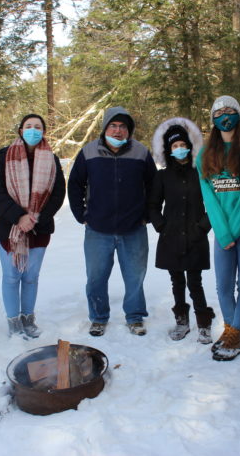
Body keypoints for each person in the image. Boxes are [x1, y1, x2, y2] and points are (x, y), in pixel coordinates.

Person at [68, 106, 157, 336]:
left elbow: (154, 187)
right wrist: (82, 215)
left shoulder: (140, 152)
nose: (118, 131)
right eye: (113, 126)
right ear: (105, 128)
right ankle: (98, 317)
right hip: (98, 229)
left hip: (133, 229)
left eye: (123, 127)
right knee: (96, 277)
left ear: (129, 130)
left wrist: (147, 215)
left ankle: (135, 316)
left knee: (135, 276)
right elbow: (75, 184)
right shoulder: (89, 152)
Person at [0, 114, 66, 339]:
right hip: (8, 227)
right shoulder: (4, 156)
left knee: (31, 276)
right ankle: (13, 322)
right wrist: (19, 217)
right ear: (21, 130)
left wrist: (35, 218)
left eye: (38, 127)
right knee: (12, 276)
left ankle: (28, 319)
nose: (33, 130)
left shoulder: (52, 159)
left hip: (38, 228)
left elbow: (58, 194)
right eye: (29, 126)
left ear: (44, 131)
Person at [196, 96, 240, 361]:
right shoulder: (205, 154)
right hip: (222, 232)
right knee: (223, 285)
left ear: (239, 114)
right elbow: (208, 196)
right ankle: (231, 332)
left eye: (230, 110)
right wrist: (223, 232)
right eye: (218, 111)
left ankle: (234, 335)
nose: (224, 115)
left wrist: (234, 230)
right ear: (212, 118)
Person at [148, 117, 215, 343]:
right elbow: (153, 205)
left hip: (196, 236)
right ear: (169, 149)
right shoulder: (162, 175)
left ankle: (204, 323)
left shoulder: (201, 172)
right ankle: (181, 321)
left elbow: (213, 203)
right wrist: (161, 226)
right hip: (171, 236)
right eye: (175, 146)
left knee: (195, 282)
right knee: (177, 282)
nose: (180, 149)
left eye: (183, 145)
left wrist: (203, 227)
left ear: (189, 146)